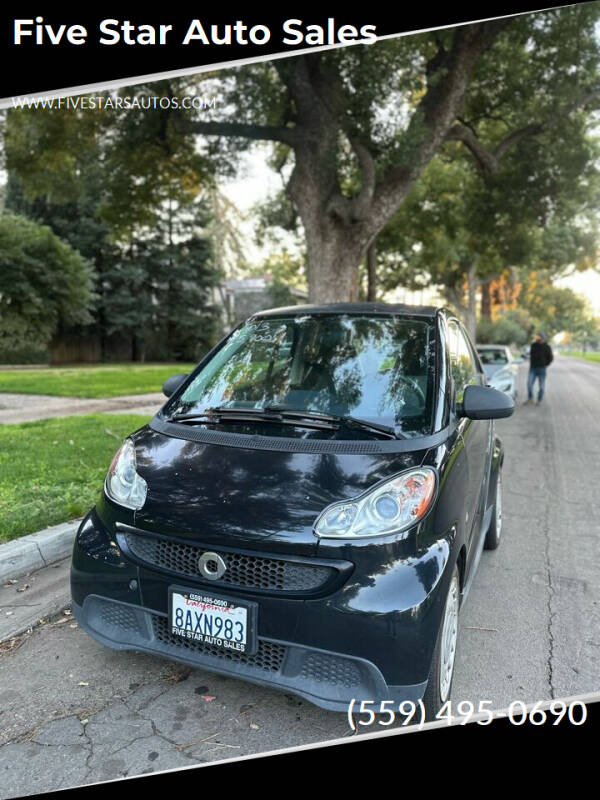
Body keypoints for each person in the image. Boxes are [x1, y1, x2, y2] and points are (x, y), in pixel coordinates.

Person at [525, 332, 553, 405]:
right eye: (536, 337)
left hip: (542, 369)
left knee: (542, 387)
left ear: (542, 338)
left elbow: (550, 357)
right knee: (529, 384)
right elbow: (530, 355)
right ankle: (530, 399)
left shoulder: (547, 347)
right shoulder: (533, 345)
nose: (537, 338)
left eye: (538, 337)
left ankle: (539, 400)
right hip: (533, 368)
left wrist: (546, 364)